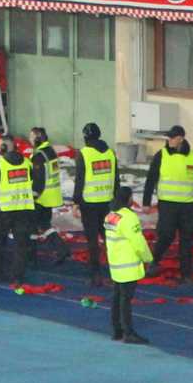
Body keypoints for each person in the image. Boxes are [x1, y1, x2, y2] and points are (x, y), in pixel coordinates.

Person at [141, 125, 193, 281]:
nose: (169, 140)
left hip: (187, 206)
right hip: (167, 205)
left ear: (181, 139)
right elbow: (151, 179)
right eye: (169, 137)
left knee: (187, 239)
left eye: (172, 137)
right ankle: (154, 260)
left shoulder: (192, 157)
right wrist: (146, 202)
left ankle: (186, 274)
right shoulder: (161, 155)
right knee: (166, 236)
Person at [104, 185, 152, 344]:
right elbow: (138, 242)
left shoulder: (111, 215)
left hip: (116, 263)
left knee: (117, 297)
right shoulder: (129, 217)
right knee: (125, 300)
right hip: (128, 264)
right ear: (128, 198)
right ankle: (128, 332)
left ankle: (116, 330)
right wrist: (147, 258)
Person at [75, 122, 118, 286]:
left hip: (89, 204)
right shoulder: (110, 153)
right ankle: (115, 273)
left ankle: (96, 275)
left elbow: (80, 179)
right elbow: (116, 178)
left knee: (92, 241)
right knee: (110, 239)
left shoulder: (84, 153)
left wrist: (76, 202)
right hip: (108, 203)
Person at [0, 138, 37, 284]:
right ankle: (18, 276)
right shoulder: (27, 163)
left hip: (5, 209)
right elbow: (34, 182)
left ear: (3, 147)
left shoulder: (0, 164)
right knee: (21, 244)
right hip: (23, 208)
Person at [28, 127, 63, 260]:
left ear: (37, 138)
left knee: (32, 225)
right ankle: (60, 248)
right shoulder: (50, 151)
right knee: (44, 225)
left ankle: (31, 255)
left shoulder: (39, 156)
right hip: (51, 196)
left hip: (42, 197)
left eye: (32, 137)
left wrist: (33, 196)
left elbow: (39, 179)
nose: (30, 139)